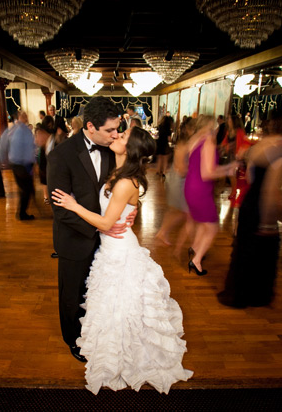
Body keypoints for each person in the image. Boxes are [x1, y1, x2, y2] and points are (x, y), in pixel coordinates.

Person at [51, 126, 193, 395]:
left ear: (131, 149)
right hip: (109, 247)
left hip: (119, 250)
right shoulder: (115, 171)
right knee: (111, 304)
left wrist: (73, 205)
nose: (116, 136)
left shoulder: (126, 181)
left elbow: (106, 222)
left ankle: (125, 354)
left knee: (122, 305)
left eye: (123, 136)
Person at [46, 96, 136, 363]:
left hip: (108, 241)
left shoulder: (113, 149)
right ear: (90, 126)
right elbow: (61, 209)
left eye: (117, 129)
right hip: (76, 238)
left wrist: (129, 214)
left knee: (95, 291)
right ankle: (72, 339)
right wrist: (100, 228)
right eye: (110, 130)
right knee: (71, 295)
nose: (115, 134)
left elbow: (127, 189)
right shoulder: (61, 155)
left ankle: (94, 333)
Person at [217, 113, 282, 308]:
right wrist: (271, 220)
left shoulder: (255, 148)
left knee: (245, 248)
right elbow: (271, 188)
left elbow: (251, 178)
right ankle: (255, 295)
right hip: (262, 206)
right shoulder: (281, 149)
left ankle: (239, 292)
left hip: (249, 202)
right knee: (261, 250)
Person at [184, 115, 238, 276]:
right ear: (210, 126)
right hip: (200, 189)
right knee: (213, 227)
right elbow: (207, 173)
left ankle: (194, 248)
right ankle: (197, 260)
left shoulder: (194, 139)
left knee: (203, 223)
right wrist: (228, 169)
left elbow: (197, 164)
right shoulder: (208, 141)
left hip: (190, 186)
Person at [156, 116, 194, 255]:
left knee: (175, 211)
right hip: (178, 180)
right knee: (184, 212)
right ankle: (190, 247)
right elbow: (181, 168)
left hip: (176, 179)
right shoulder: (185, 145)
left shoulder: (186, 143)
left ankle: (162, 233)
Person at [9, 110, 36, 220]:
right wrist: (31, 165)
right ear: (19, 117)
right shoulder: (22, 130)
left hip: (17, 164)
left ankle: (21, 212)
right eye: (24, 115)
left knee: (25, 189)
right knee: (26, 189)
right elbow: (27, 149)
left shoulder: (16, 129)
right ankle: (21, 213)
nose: (26, 117)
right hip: (21, 164)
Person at [156, 114, 173, 179]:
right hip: (165, 144)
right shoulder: (168, 128)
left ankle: (158, 170)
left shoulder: (160, 126)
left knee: (159, 158)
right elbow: (169, 139)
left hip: (159, 143)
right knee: (165, 159)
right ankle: (163, 172)